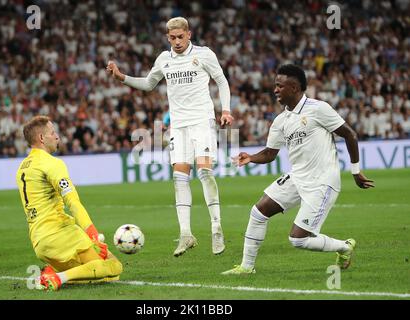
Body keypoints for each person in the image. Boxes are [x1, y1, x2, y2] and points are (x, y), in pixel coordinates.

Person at [222, 64, 375, 275]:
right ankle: (247, 267)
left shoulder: (318, 108)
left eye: (279, 86)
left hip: (322, 181)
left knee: (298, 239)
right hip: (297, 177)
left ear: (294, 87)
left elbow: (350, 135)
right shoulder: (280, 121)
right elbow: (270, 153)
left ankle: (344, 247)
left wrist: (356, 171)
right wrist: (250, 158)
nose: (275, 90)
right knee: (258, 212)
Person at [107, 17, 234, 257]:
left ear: (188, 34)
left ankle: (216, 227)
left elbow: (222, 81)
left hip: (202, 121)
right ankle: (186, 234)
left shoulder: (204, 54)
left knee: (205, 171)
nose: (177, 41)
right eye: (172, 38)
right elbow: (148, 84)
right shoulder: (164, 59)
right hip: (178, 126)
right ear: (168, 37)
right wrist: (121, 77)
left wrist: (226, 110)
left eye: (180, 37)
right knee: (179, 179)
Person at [16, 116, 122, 290]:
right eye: (53, 132)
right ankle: (58, 277)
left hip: (39, 241)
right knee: (110, 268)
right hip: (60, 233)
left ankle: (51, 273)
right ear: (42, 138)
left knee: (107, 272)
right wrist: (93, 235)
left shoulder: (22, 167)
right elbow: (72, 202)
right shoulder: (52, 163)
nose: (57, 136)